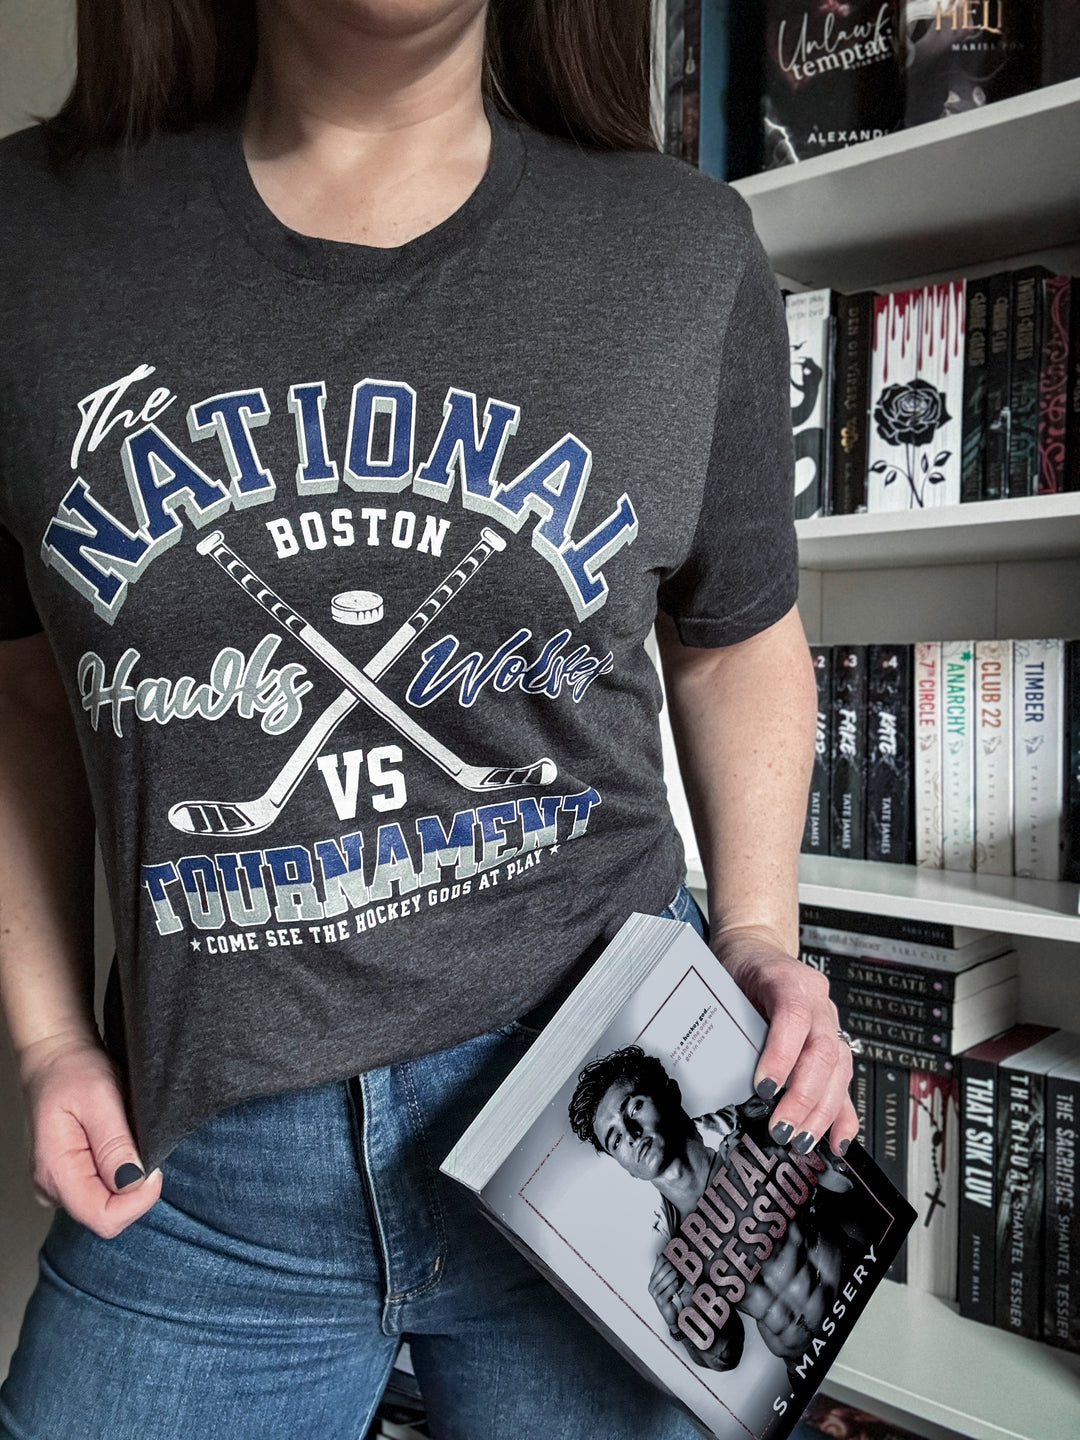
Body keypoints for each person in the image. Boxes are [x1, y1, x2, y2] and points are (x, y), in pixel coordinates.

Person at [0, 2, 856, 1437]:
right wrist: (42, 1040)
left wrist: (759, 933)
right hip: (200, 1173)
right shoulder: (27, 241)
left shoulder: (682, 248)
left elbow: (734, 642)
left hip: (594, 1118)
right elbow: (24, 684)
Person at [569, 1046, 868, 1380]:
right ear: (621, 1164)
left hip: (868, 1307)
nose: (632, 1135)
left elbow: (849, 1184)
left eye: (634, 1108)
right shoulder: (679, 1258)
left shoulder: (755, 1142)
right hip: (813, 1372)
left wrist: (813, 1136)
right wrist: (677, 1321)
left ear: (670, 1094)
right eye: (615, 1139)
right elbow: (726, 1355)